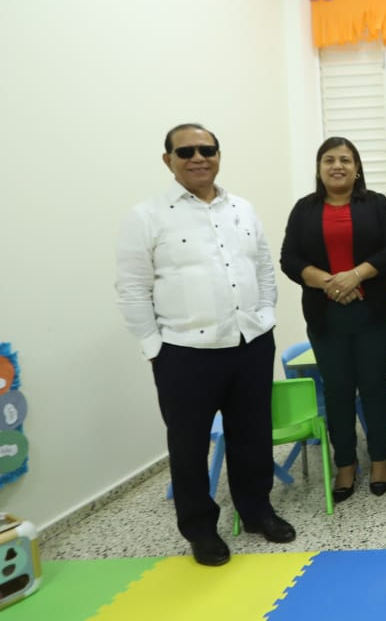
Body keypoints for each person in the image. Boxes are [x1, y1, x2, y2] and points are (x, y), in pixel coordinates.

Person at [115, 123, 294, 567]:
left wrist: (267, 316)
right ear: (168, 160)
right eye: (186, 151)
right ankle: (200, 530)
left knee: (252, 437)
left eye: (207, 149)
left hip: (249, 343)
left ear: (218, 154)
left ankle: (257, 512)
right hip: (183, 353)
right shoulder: (147, 216)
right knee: (189, 446)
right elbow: (132, 288)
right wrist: (154, 346)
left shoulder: (243, 209)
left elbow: (264, 269)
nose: (198, 158)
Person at [280, 137, 386, 501]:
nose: (338, 166)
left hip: (372, 313)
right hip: (325, 314)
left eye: (345, 160)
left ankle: (381, 459)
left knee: (374, 386)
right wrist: (329, 282)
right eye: (329, 160)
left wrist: (356, 275)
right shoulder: (304, 209)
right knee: (337, 391)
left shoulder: (376, 204)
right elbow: (290, 258)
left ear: (357, 167)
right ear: (319, 168)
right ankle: (345, 463)